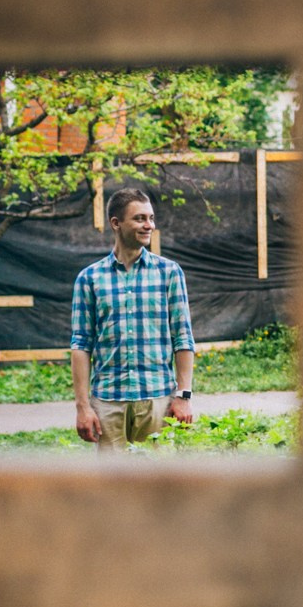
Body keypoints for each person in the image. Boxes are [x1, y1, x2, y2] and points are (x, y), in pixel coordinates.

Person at [71, 187, 197, 450]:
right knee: (111, 486)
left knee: (157, 485)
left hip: (158, 400)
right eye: (140, 218)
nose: (149, 225)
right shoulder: (89, 279)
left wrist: (183, 396)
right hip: (108, 402)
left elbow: (183, 338)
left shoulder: (169, 273)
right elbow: (81, 345)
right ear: (116, 223)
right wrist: (83, 407)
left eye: (151, 218)